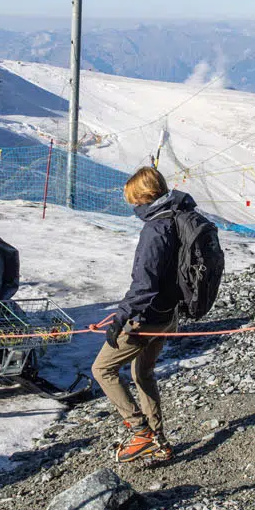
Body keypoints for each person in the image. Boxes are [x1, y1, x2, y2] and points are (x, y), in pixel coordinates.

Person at [93, 166, 199, 463]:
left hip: (148, 317)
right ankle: (160, 442)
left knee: (102, 369)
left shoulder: (155, 228)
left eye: (134, 199)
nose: (132, 206)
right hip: (168, 315)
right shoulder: (177, 218)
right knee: (143, 374)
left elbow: (144, 283)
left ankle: (142, 432)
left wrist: (119, 318)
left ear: (144, 196)